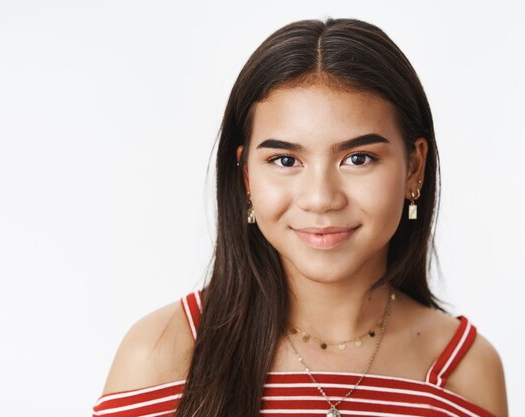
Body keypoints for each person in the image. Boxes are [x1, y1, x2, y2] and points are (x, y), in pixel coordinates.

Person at [93, 18, 508, 417]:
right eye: (286, 159)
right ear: (246, 177)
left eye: (358, 158)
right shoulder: (162, 354)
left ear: (414, 168)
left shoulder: (466, 370)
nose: (320, 198)